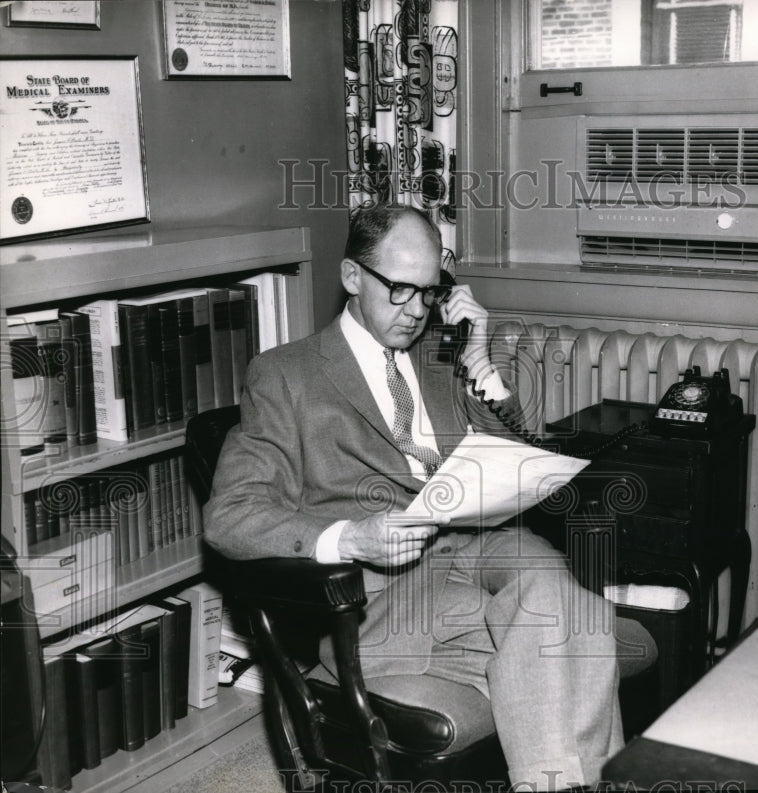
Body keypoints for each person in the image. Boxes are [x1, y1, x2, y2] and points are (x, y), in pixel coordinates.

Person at [204, 204, 623, 789]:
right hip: (386, 592)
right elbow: (231, 515)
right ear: (353, 277)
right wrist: (351, 538)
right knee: (574, 629)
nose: (416, 311)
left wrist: (481, 360)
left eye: (430, 293)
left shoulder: (440, 358)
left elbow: (516, 457)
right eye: (400, 289)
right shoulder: (285, 375)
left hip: (476, 552)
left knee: (552, 588)